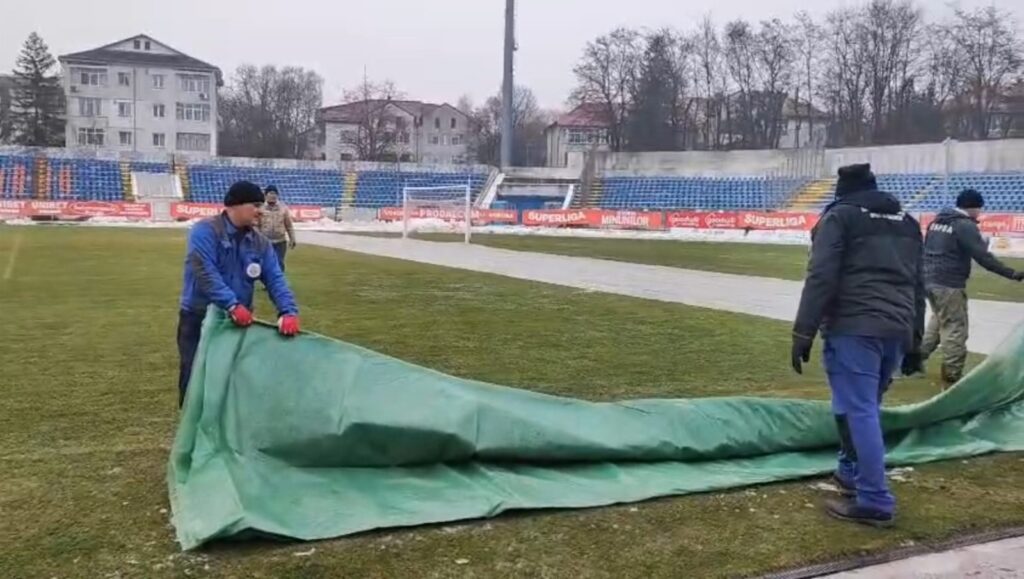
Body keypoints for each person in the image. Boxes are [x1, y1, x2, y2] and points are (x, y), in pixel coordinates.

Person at [791, 163, 926, 528]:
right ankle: (849, 470)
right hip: (896, 328)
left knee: (858, 410)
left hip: (854, 326)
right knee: (860, 405)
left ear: (842, 190)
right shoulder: (908, 222)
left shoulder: (840, 217)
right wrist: (915, 341)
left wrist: (802, 332)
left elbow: (821, 275)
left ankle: (875, 500)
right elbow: (918, 283)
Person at [177, 180, 301, 407]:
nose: (261, 211)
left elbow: (275, 278)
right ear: (235, 205)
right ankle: (191, 426)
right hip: (199, 317)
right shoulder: (205, 231)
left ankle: (224, 427)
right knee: (194, 374)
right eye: (255, 205)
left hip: (237, 323)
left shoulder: (260, 243)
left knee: (231, 378)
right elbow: (205, 272)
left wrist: (288, 310)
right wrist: (231, 304)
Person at [920, 189, 1023, 386]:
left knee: (938, 323)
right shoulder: (964, 225)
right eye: (979, 208)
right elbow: (982, 256)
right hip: (949, 283)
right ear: (974, 207)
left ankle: (914, 360)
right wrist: (1011, 273)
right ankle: (952, 374)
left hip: (929, 280)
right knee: (955, 327)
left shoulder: (937, 222)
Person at [258, 185, 296, 272]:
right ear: (265, 195)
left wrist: (292, 238)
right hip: (265, 242)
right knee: (266, 263)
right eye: (270, 193)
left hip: (280, 242)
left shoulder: (283, 208)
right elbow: (256, 226)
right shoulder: (260, 209)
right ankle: (267, 280)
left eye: (275, 193)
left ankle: (279, 280)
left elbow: (289, 225)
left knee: (279, 263)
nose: (273, 195)